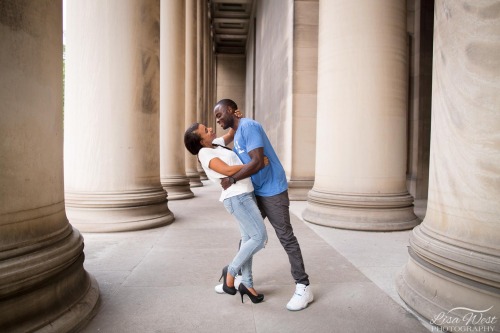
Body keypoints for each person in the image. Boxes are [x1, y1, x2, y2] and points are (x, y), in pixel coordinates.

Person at [213, 98, 313, 311]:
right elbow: (245, 159)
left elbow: (257, 161)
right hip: (255, 191)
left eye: (220, 114)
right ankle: (240, 278)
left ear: (231, 110)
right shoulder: (237, 132)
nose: (218, 119)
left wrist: (232, 179)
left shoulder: (249, 126)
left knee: (286, 236)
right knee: (247, 237)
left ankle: (303, 286)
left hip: (273, 190)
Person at [184, 122, 268, 304]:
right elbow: (227, 171)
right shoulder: (204, 153)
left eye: (208, 127)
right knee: (259, 238)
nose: (210, 129)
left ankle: (247, 283)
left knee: (248, 240)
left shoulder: (216, 144)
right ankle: (230, 271)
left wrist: (238, 116)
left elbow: (232, 131)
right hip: (237, 198)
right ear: (200, 141)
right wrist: (256, 163)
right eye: (205, 131)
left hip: (246, 193)